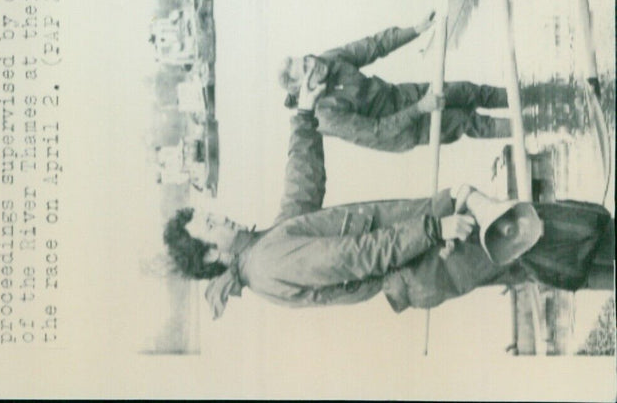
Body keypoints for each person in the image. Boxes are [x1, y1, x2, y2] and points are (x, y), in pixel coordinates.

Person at [162, 80, 614, 318]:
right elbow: (358, 256)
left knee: (554, 257)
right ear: (211, 252)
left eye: (206, 212)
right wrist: (435, 228)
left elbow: (301, 192)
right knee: (556, 236)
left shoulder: (265, 246)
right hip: (432, 256)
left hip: (432, 250)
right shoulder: (267, 264)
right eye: (207, 222)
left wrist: (303, 115)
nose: (216, 215)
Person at [278, 23, 511, 148]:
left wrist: (416, 30)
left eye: (307, 59)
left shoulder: (328, 60)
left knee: (469, 91)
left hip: (401, 95)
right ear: (302, 88)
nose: (314, 63)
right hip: (403, 128)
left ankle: (530, 95)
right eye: (307, 69)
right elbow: (379, 131)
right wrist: (421, 108)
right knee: (467, 121)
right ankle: (532, 126)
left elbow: (375, 45)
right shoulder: (326, 116)